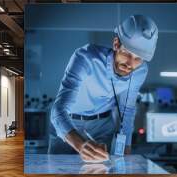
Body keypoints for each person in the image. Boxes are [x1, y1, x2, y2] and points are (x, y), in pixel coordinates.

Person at [50, 15, 158, 162]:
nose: (130, 64)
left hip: (103, 126)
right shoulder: (85, 58)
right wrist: (80, 145)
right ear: (116, 44)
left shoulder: (140, 71)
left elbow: (127, 110)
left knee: (101, 173)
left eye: (138, 58)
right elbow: (57, 111)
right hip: (69, 121)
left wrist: (126, 148)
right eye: (127, 53)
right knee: (58, 172)